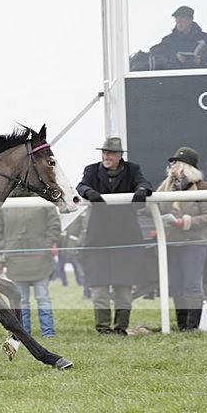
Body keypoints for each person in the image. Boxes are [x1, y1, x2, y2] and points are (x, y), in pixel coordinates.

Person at [77, 138, 153, 335]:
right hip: (98, 240)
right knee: (99, 287)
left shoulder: (133, 169)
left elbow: (144, 183)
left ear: (120, 156)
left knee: (124, 288)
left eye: (110, 153)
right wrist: (90, 193)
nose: (106, 156)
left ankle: (121, 328)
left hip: (126, 240)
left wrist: (142, 191)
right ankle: (103, 329)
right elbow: (81, 186)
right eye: (104, 152)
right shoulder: (91, 170)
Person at [156, 146, 207, 331]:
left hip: (194, 243)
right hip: (172, 242)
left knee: (192, 285)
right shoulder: (165, 186)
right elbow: (153, 209)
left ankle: (192, 326)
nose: (171, 164)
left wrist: (184, 222)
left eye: (175, 161)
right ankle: (182, 325)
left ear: (184, 165)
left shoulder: (203, 187)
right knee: (176, 286)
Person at [0, 186, 61, 337]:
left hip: (40, 259)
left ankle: (48, 332)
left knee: (42, 298)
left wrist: (44, 246)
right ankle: (24, 332)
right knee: (21, 300)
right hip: (15, 259)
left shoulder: (42, 201)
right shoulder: (5, 203)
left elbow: (54, 226)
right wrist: (5, 248)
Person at [154, 6, 207, 70]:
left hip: (202, 81)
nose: (178, 21)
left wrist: (201, 61)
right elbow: (161, 65)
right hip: (176, 82)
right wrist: (177, 61)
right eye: (176, 18)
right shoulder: (167, 41)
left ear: (191, 19)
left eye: (182, 17)